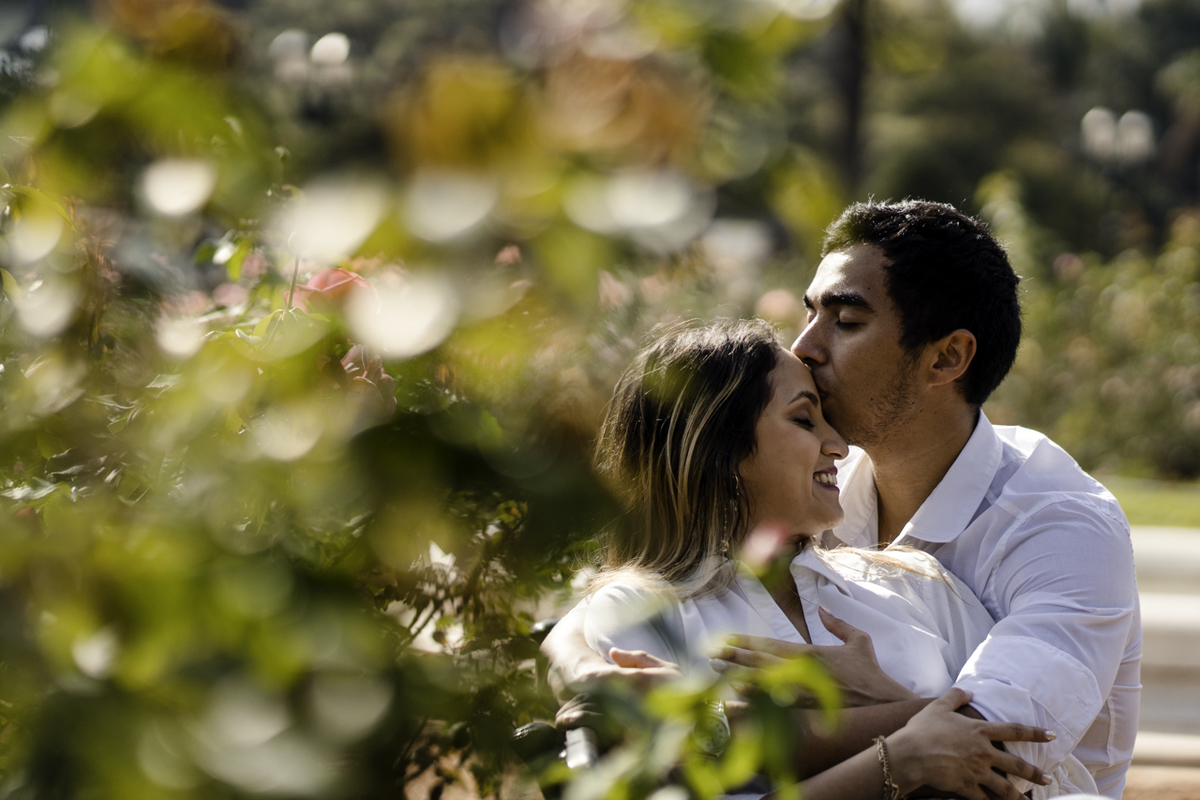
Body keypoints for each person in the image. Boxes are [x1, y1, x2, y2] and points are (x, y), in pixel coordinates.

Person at [545, 200, 1140, 799]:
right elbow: (644, 583)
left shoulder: (1058, 527)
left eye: (846, 322)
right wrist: (580, 659)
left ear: (946, 357)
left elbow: (993, 744)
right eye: (808, 314)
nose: (805, 346)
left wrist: (702, 724)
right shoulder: (823, 486)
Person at [579, 317, 1060, 800]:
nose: (841, 445)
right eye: (805, 419)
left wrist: (896, 709)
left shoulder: (914, 587)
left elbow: (1014, 763)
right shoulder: (647, 614)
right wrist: (899, 759)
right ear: (717, 452)